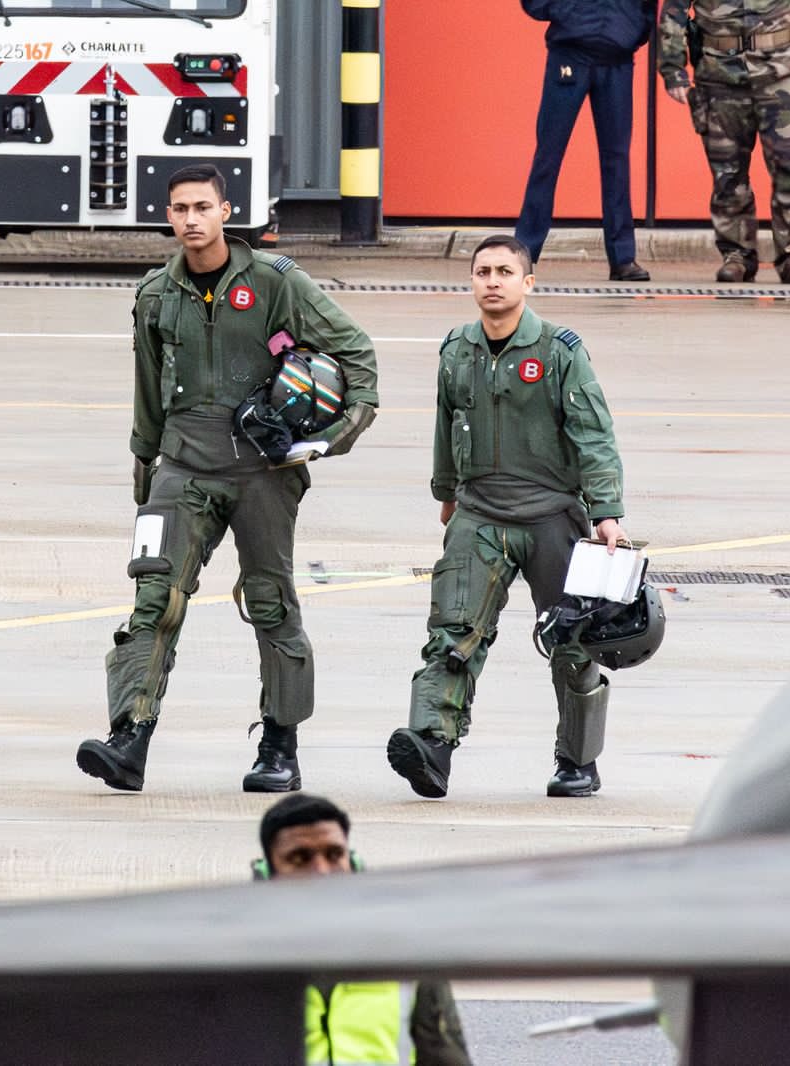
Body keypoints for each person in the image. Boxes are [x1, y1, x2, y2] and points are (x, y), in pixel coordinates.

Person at [76, 163, 379, 794]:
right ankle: (129, 737)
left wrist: (327, 439)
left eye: (203, 207)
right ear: (168, 216)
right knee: (154, 599)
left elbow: (356, 355)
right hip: (183, 467)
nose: (192, 219)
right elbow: (147, 393)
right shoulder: (156, 294)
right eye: (180, 208)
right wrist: (144, 467)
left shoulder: (275, 283)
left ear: (225, 211)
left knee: (270, 604)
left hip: (262, 473)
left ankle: (280, 746)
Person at [387, 234, 630, 800]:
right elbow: (445, 427)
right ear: (471, 282)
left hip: (552, 516)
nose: (492, 281)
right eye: (482, 272)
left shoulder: (559, 351)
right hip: (479, 513)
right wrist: (447, 493)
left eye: (503, 271)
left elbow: (593, 435)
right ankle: (431, 746)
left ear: (528, 282)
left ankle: (577, 762)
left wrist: (607, 512)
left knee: (573, 643)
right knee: (452, 633)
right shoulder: (456, 350)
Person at [257, 794, 473, 1066]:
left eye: (334, 855)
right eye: (300, 858)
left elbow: (446, 1058)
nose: (322, 871)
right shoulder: (229, 965)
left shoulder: (404, 954)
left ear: (354, 865)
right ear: (267, 875)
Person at [658, 0, 790, 284]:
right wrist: (673, 68)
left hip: (780, 74)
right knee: (728, 174)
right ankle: (737, 255)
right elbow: (673, 12)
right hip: (718, 76)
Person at [515, 0, 656, 282]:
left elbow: (649, 9)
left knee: (617, 159)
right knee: (548, 156)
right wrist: (566, 14)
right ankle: (524, 254)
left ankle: (622, 259)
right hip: (569, 55)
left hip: (618, 59)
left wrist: (630, 31)